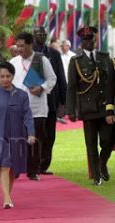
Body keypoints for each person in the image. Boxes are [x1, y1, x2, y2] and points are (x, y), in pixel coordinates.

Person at [0, 62, 35, 209]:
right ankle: (6, 198)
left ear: (13, 76)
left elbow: (28, 116)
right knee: (4, 166)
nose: (5, 79)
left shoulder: (22, 95)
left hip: (17, 136)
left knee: (12, 168)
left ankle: (8, 196)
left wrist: (31, 133)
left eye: (8, 76)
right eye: (2, 76)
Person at [66, 26, 114, 186]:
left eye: (91, 39)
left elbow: (111, 83)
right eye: (85, 39)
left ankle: (102, 164)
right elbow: (72, 86)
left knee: (108, 141)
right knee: (91, 143)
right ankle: (96, 175)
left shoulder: (105, 57)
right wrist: (71, 110)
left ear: (95, 40)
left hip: (105, 107)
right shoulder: (76, 61)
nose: (89, 42)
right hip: (88, 108)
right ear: (81, 42)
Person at [10, 32, 56, 181]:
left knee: (35, 139)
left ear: (30, 45)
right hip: (17, 107)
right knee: (17, 139)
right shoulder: (14, 61)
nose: (20, 49)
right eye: (18, 46)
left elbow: (52, 79)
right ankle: (16, 167)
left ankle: (33, 170)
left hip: (37, 107)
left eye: (22, 46)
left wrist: (42, 88)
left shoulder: (41, 60)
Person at [33, 26, 67, 175]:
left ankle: (44, 164)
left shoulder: (54, 54)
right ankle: (34, 163)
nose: (41, 35)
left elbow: (60, 77)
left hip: (51, 101)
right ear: (33, 36)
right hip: (33, 101)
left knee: (50, 134)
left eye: (43, 33)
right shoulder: (29, 54)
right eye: (38, 33)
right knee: (36, 133)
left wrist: (64, 102)